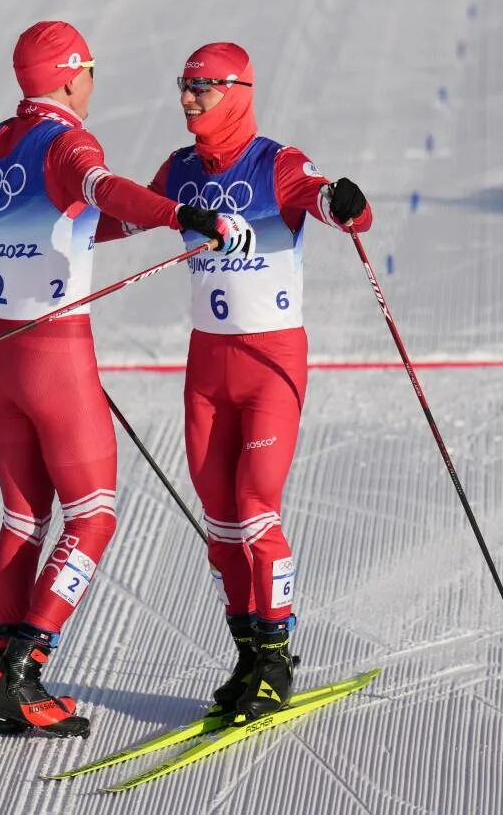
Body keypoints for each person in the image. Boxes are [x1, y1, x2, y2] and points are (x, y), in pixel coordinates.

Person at [0, 21, 248, 738]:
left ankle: (10, 676)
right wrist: (181, 213)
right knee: (92, 517)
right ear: (68, 77)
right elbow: (107, 191)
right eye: (90, 68)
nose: (94, 80)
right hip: (53, 354)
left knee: (22, 520)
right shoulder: (69, 143)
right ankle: (26, 668)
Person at [96, 41, 373, 721]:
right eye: (185, 86)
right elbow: (117, 219)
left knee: (255, 510)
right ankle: (248, 656)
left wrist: (346, 202)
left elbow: (335, 205)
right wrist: (47, 234)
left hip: (270, 362)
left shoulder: (274, 162)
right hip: (207, 368)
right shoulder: (180, 171)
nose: (190, 98)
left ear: (239, 90)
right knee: (220, 524)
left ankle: (278, 658)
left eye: (205, 87)